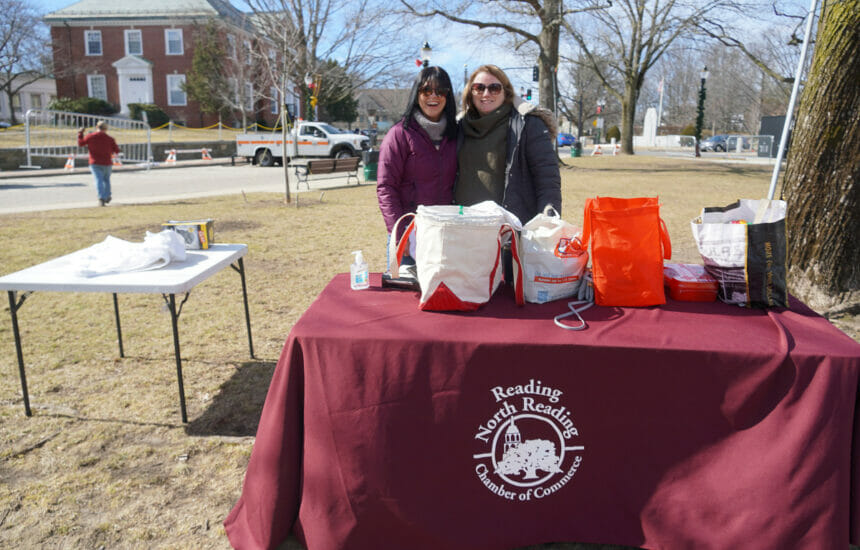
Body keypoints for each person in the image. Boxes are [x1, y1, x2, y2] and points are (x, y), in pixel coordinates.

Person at [455, 64, 561, 225]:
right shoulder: (458, 126)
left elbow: (547, 178)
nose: (486, 93)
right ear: (470, 92)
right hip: (464, 225)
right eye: (479, 87)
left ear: (506, 92)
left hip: (509, 228)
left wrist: (548, 220)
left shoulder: (528, 124)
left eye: (494, 88)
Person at [377, 66, 458, 264]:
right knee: (403, 294)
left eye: (440, 91)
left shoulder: (457, 135)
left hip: (444, 235)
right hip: (409, 234)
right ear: (416, 93)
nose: (434, 96)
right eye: (426, 90)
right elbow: (386, 188)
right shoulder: (399, 134)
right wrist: (399, 234)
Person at [78, 121, 120, 206]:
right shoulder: (110, 139)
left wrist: (80, 133)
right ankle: (107, 195)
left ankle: (101, 198)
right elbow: (117, 150)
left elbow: (81, 143)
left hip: (95, 162)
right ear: (106, 129)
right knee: (106, 180)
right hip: (107, 162)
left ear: (97, 127)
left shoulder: (90, 136)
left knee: (98, 180)